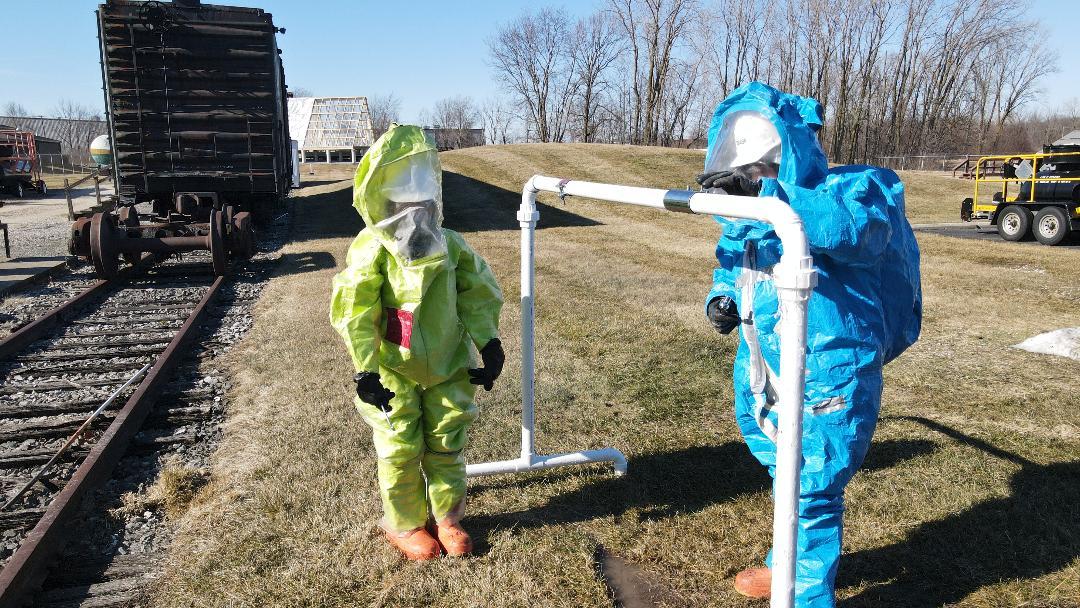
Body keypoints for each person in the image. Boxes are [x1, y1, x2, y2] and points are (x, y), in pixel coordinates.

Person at [699, 82, 921, 607]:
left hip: (831, 363)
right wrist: (722, 297)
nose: (754, 179)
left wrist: (774, 195)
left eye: (762, 166)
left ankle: (804, 594)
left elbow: (853, 232)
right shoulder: (753, 207)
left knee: (813, 479)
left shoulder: (859, 190)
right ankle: (785, 565)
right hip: (764, 359)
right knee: (783, 463)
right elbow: (734, 259)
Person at [330, 124, 504, 561]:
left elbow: (477, 292)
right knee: (400, 447)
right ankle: (404, 523)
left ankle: (448, 518)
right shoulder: (372, 249)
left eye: (423, 194)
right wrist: (366, 368)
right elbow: (355, 307)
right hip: (392, 370)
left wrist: (489, 342)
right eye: (404, 196)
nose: (415, 207)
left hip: (447, 363)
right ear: (382, 198)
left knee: (448, 441)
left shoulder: (450, 245)